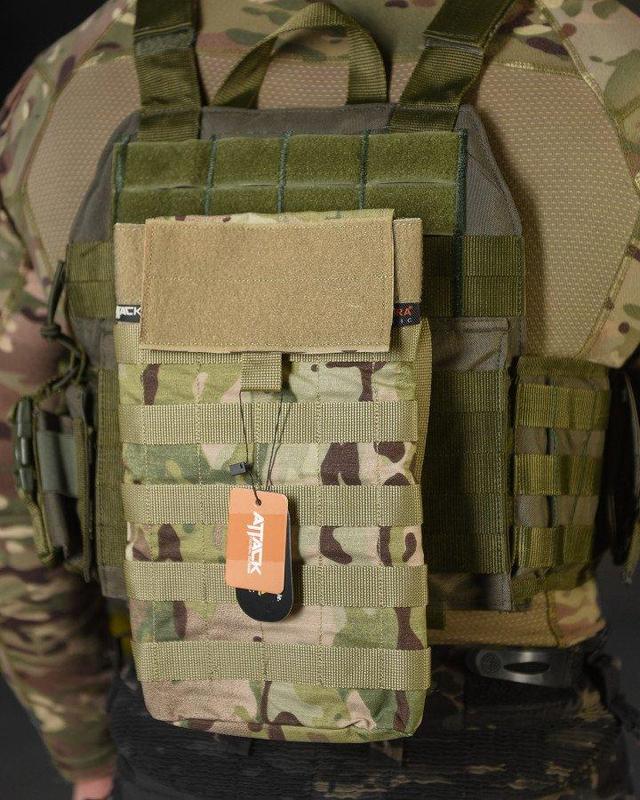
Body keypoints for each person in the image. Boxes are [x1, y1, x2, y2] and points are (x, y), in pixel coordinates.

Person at [1, 1, 639, 798]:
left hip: (185, 714)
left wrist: (85, 747)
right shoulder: (597, 57)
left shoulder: (80, 73)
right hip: (507, 731)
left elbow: (17, 477)